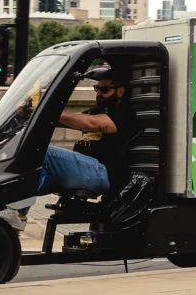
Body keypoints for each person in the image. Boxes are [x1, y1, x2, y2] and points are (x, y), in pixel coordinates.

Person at [40, 65, 136, 197]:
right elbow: (72, 120)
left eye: (104, 90)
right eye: (97, 88)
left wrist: (49, 112)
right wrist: (30, 118)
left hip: (102, 172)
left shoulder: (125, 113)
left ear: (120, 91)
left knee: (43, 153)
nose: (98, 94)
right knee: (30, 169)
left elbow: (92, 123)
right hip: (85, 168)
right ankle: (15, 212)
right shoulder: (97, 111)